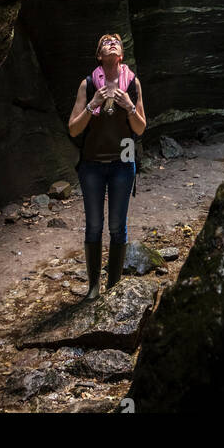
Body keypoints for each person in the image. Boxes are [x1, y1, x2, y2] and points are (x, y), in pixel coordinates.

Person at [67, 33, 146, 300]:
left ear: (121, 54)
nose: (111, 43)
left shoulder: (132, 84)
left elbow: (140, 128)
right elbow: (74, 129)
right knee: (94, 226)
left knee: (117, 226)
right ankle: (93, 287)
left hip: (123, 164)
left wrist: (128, 106)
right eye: (104, 43)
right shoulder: (88, 85)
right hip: (92, 165)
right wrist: (92, 105)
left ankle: (113, 286)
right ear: (99, 56)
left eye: (116, 42)